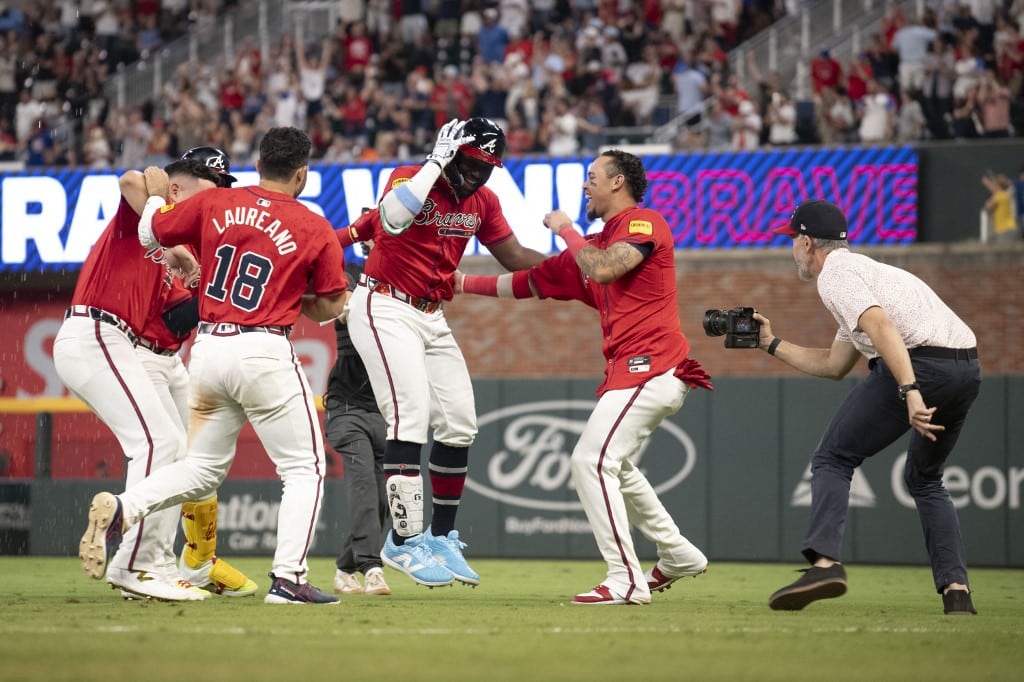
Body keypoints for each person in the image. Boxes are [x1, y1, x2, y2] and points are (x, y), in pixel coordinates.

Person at [78, 127, 348, 605]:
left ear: (259, 164)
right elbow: (330, 306)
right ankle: (288, 578)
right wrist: (296, 297)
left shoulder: (218, 205)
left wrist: (162, 204)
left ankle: (124, 507)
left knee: (201, 468)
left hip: (208, 349)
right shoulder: (313, 225)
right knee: (304, 468)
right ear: (302, 173)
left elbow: (151, 231)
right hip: (264, 349)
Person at [455, 149, 711, 605]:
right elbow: (527, 281)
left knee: (589, 462)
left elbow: (605, 267)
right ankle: (677, 554)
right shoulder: (593, 243)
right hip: (636, 375)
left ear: (618, 183)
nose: (584, 185)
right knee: (617, 466)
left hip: (650, 369)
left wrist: (564, 229)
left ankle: (626, 579)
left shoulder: (643, 222)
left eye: (592, 177)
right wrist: (459, 283)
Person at [337, 117, 547, 588]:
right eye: (471, 162)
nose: (477, 174)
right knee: (409, 415)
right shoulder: (410, 177)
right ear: (452, 152)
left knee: (460, 420)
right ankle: (403, 541)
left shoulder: (484, 200)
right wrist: (435, 162)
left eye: (488, 167)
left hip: (432, 314)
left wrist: (572, 263)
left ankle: (440, 535)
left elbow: (513, 257)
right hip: (385, 303)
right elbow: (392, 218)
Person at [760, 199, 981, 616]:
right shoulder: (863, 273)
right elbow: (833, 365)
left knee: (832, 458)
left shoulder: (835, 275)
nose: (792, 249)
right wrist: (770, 343)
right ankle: (957, 593)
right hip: (965, 369)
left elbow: (881, 326)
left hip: (921, 367)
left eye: (792, 240)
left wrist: (910, 389)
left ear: (807, 242)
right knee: (926, 479)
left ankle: (824, 565)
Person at [55, 148, 253, 602]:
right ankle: (135, 563)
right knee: (160, 443)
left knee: (177, 449)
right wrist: (169, 223)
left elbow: (177, 317)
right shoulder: (153, 215)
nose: (221, 194)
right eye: (214, 183)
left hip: (115, 339)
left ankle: (158, 564)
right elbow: (129, 179)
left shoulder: (173, 232)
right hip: (96, 331)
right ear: (182, 184)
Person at [325, 211, 391, 597]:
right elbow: (345, 301)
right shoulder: (348, 274)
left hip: (382, 410)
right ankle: (372, 569)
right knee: (366, 488)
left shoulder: (404, 278)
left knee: (384, 500)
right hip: (347, 409)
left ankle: (345, 567)